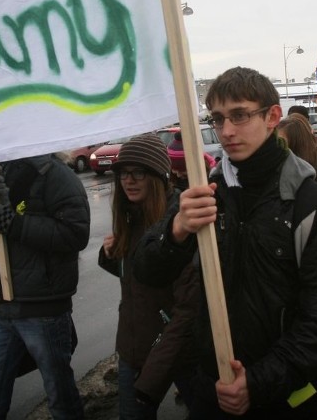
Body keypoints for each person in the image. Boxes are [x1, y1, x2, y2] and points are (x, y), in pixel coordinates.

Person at [133, 66, 317, 419]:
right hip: (210, 390)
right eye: (218, 119)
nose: (227, 131)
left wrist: (258, 382)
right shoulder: (204, 194)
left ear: (272, 116)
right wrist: (176, 230)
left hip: (286, 396)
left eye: (240, 115)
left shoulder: (310, 205)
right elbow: (147, 271)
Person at [0, 154, 90, 419]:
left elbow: (76, 234)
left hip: (44, 309)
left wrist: (14, 224)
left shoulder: (56, 175)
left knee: (60, 395)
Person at [98, 134, 199, 419]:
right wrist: (112, 254)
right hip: (136, 345)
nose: (128, 180)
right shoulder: (132, 215)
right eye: (123, 173)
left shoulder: (179, 222)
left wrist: (151, 378)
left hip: (178, 352)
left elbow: (187, 309)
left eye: (138, 172)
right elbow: (133, 281)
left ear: (157, 175)